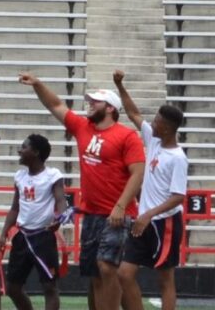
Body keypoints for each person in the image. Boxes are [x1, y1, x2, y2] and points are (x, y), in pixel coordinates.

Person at [19, 73, 145, 310]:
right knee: (96, 273)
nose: (89, 104)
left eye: (95, 101)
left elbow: (138, 173)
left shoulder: (127, 136)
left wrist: (120, 206)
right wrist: (37, 83)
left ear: (110, 108)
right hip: (91, 213)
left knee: (107, 268)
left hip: (116, 214)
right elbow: (55, 104)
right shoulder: (82, 127)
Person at [114, 70, 188, 310]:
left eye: (156, 121)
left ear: (166, 128)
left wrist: (148, 214)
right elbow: (133, 113)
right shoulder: (154, 140)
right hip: (143, 220)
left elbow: (178, 196)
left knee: (165, 279)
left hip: (163, 223)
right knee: (124, 274)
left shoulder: (178, 158)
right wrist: (120, 85)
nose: (151, 123)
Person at [0, 134, 67, 310]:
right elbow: (15, 207)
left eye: (24, 147)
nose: (20, 150)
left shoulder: (52, 175)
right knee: (13, 288)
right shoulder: (20, 176)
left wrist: (59, 217)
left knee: (49, 286)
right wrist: (4, 232)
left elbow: (60, 200)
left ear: (35, 152)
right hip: (22, 237)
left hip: (43, 236)